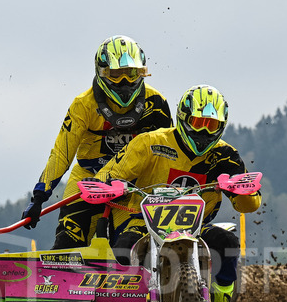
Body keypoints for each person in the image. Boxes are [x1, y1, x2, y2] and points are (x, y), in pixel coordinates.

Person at [93, 85, 260, 302]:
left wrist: (240, 191)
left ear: (221, 127)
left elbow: (250, 204)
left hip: (195, 227)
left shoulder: (226, 156)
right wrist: (110, 185)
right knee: (122, 249)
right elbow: (109, 173)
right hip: (144, 223)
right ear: (183, 117)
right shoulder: (150, 142)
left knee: (228, 243)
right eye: (199, 122)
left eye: (212, 125)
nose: (204, 131)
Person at [21, 35, 173, 248]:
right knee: (66, 242)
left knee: (131, 246)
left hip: (134, 185)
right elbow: (62, 153)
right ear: (101, 72)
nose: (125, 82)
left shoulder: (156, 103)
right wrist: (39, 197)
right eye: (116, 74)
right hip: (88, 179)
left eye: (131, 74)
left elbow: (170, 152)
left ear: (142, 72)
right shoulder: (83, 104)